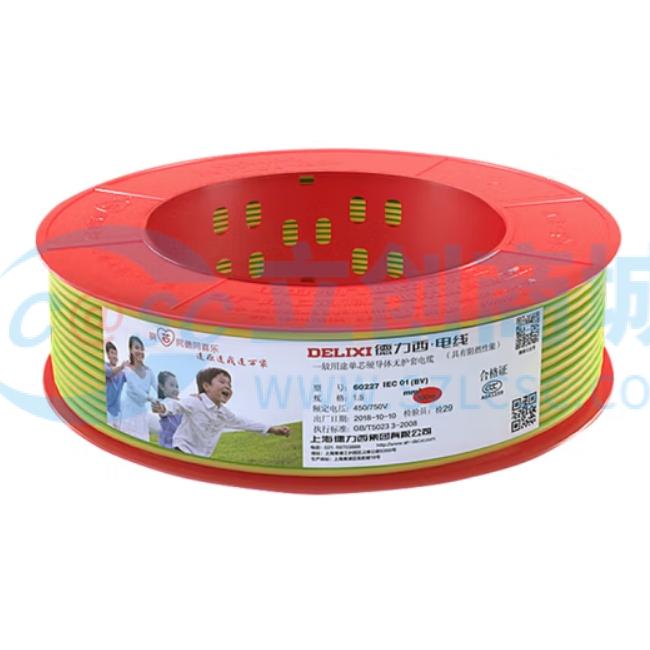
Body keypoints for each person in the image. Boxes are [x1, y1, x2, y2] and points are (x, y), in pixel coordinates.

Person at [152, 367, 290, 458]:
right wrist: (163, 408)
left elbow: (244, 422)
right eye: (222, 382)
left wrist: (271, 429)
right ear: (207, 386)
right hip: (182, 451)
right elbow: (176, 405)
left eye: (229, 384)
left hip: (202, 458)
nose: (227, 386)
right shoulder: (195, 401)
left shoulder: (223, 414)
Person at [118, 335, 157, 441]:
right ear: (130, 350)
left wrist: (171, 396)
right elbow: (135, 388)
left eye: (141, 348)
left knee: (143, 440)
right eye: (136, 348)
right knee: (128, 440)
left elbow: (158, 387)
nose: (140, 351)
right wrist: (151, 398)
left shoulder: (149, 371)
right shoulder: (127, 369)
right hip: (129, 410)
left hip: (141, 411)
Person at [156, 371, 181, 449]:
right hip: (168, 441)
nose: (175, 389)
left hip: (179, 439)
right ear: (162, 387)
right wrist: (161, 408)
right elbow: (163, 410)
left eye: (177, 386)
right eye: (171, 385)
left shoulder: (179, 403)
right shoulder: (165, 402)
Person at [104, 341, 127, 428]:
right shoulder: (105, 366)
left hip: (117, 413)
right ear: (108, 355)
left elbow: (132, 378)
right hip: (106, 410)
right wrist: (122, 367)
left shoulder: (122, 373)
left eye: (116, 353)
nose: (114, 356)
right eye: (112, 353)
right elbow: (109, 372)